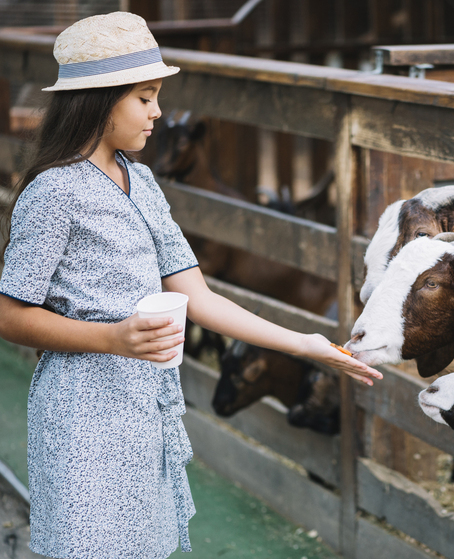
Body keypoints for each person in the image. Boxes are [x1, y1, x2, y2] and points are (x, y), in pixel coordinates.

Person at [0, 12, 381, 559]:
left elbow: (198, 297)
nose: (158, 112)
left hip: (144, 408)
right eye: (145, 97)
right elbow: (11, 315)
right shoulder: (53, 192)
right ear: (100, 100)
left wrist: (306, 344)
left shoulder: (144, 182)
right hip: (80, 415)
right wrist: (115, 338)